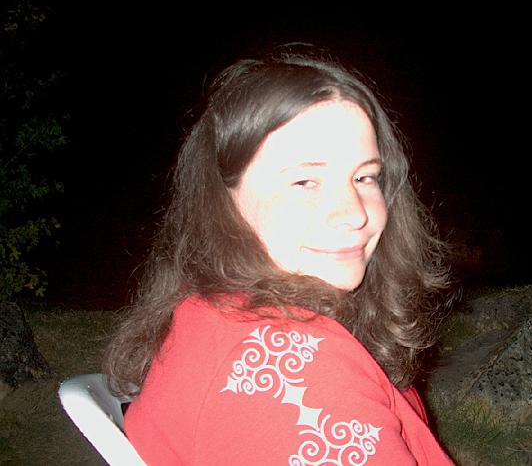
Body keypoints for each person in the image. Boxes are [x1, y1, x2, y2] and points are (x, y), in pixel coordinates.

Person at [104, 50, 455, 464]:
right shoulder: (291, 372)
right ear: (224, 199)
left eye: (364, 177)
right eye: (305, 181)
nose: (354, 213)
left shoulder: (211, 308)